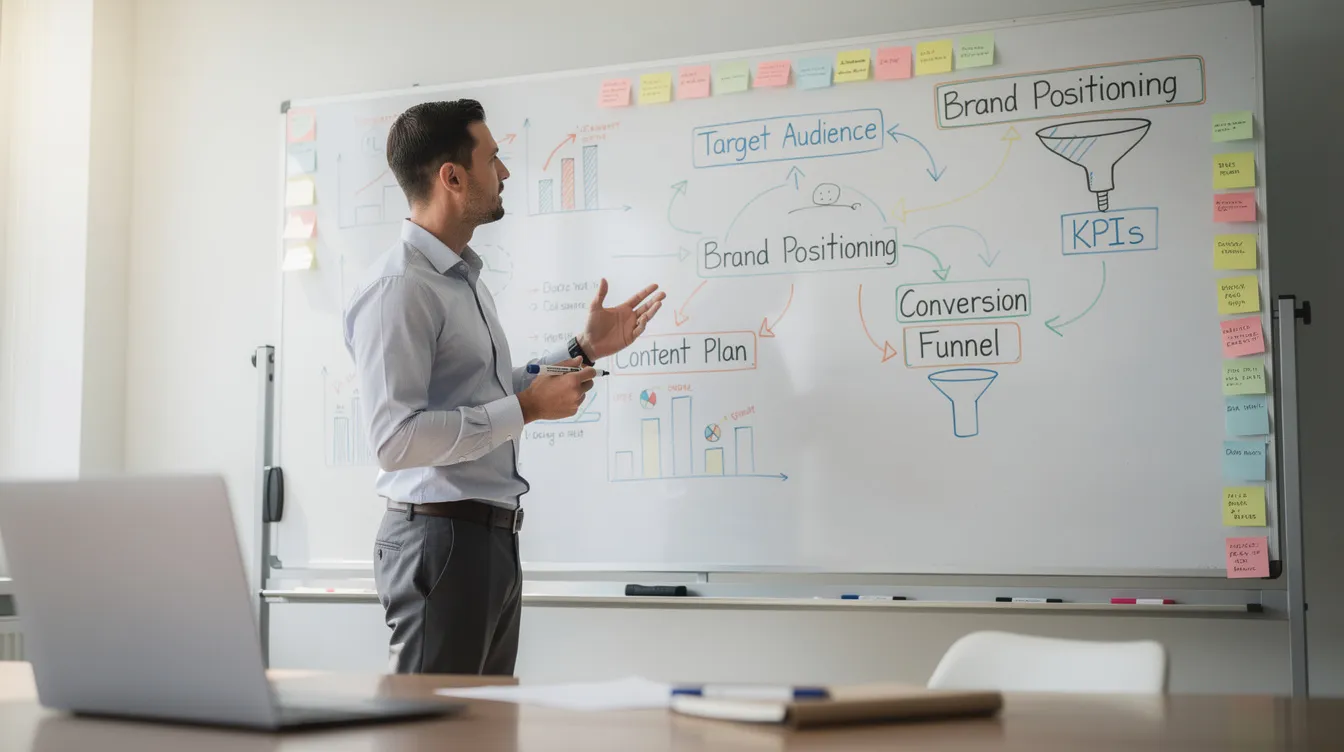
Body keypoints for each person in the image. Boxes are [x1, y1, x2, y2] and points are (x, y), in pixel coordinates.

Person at [343, 99, 665, 675]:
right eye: (494, 159)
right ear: (453, 177)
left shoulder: (462, 279)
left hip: (487, 539)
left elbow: (484, 394)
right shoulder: (399, 288)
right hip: (438, 540)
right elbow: (395, 440)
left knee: (484, 731)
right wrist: (524, 409)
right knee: (432, 736)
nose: (506, 174)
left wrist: (581, 351)